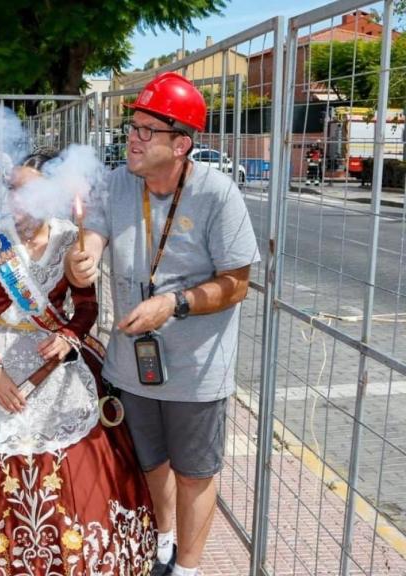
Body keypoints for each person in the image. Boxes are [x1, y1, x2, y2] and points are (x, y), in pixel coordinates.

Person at [65, 72, 260, 576]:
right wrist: (81, 258)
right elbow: (92, 236)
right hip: (132, 364)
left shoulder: (218, 195)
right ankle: (164, 542)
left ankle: (189, 569)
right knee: (150, 461)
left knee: (195, 472)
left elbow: (236, 284)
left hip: (196, 370)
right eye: (133, 126)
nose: (133, 137)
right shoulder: (116, 183)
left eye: (147, 130)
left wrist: (174, 304)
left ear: (181, 146)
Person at [0, 151, 157, 574]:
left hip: (57, 360)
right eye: (13, 190)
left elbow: (86, 309)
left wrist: (68, 337)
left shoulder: (71, 240)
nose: (18, 201)